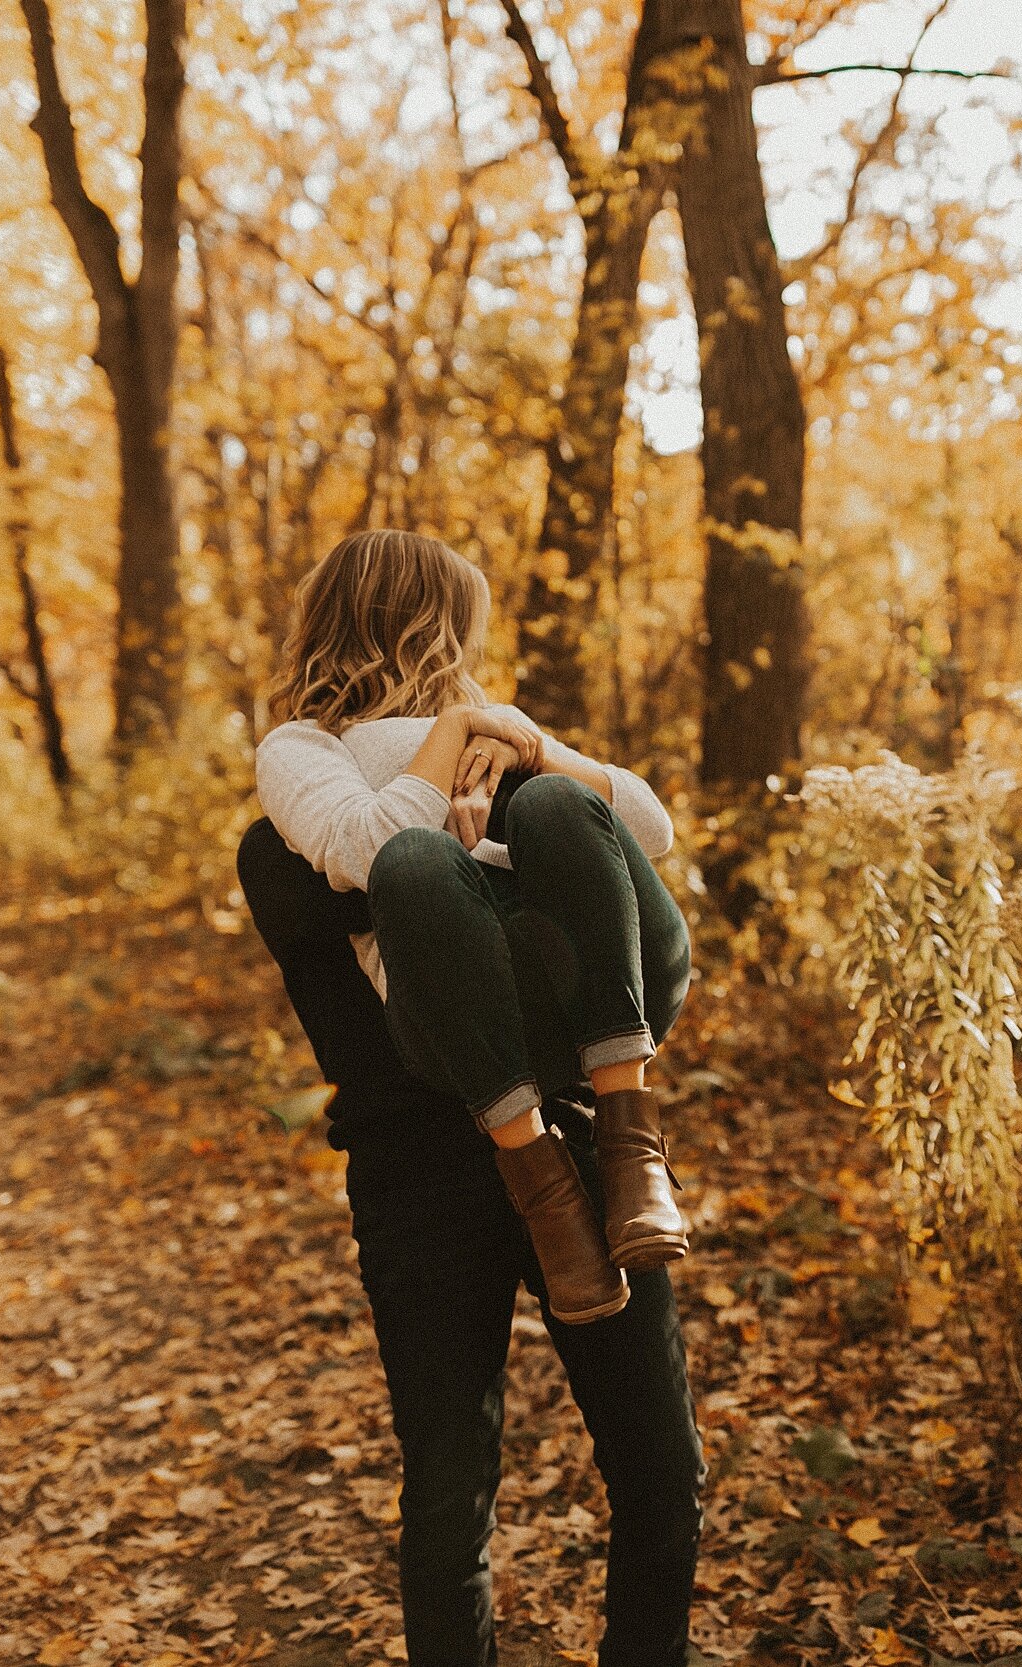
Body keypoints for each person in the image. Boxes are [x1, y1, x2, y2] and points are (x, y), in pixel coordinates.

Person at [237, 528, 703, 1667]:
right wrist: (454, 742)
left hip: (584, 1118)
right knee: (452, 1479)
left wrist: (527, 750)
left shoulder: (512, 751)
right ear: (439, 624)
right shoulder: (296, 785)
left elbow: (639, 826)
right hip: (426, 1161)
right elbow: (373, 857)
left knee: (655, 1467)